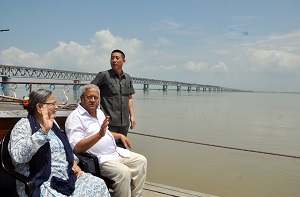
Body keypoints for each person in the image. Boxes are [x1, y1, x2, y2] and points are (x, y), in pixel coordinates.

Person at [8, 89, 110, 197]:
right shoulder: (24, 126)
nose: (56, 107)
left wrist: (74, 162)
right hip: (41, 181)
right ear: (39, 107)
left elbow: (63, 148)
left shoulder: (53, 124)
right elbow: (18, 156)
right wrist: (43, 132)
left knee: (99, 184)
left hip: (65, 175)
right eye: (53, 104)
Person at [65, 84, 147, 197]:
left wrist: (119, 136)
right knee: (124, 172)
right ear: (82, 98)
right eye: (89, 97)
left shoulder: (99, 112)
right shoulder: (75, 118)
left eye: (96, 97)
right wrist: (99, 135)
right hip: (99, 158)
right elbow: (76, 147)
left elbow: (106, 132)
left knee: (141, 161)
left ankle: (135, 195)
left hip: (115, 152)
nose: (93, 100)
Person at [91, 49, 136, 148]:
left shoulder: (127, 78)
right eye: (112, 58)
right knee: (108, 147)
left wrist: (132, 116)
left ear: (123, 61)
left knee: (123, 147)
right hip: (108, 121)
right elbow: (89, 91)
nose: (114, 60)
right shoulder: (103, 75)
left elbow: (129, 97)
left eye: (117, 58)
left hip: (124, 122)